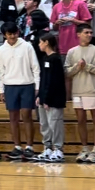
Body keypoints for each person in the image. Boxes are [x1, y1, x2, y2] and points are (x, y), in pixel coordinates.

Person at [0, 21, 40, 161]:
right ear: (4, 35)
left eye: (15, 33)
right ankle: (17, 146)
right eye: (10, 34)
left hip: (27, 85)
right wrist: (1, 89)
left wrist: (37, 86)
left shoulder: (27, 46)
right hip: (10, 86)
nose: (13, 36)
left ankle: (29, 147)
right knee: (13, 118)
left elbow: (35, 67)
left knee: (27, 115)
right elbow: (1, 71)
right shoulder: (1, 50)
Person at [65, 24, 95, 163]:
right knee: (81, 120)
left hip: (93, 89)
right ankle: (84, 148)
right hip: (77, 90)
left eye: (90, 32)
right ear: (78, 34)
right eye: (86, 32)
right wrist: (78, 67)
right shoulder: (72, 52)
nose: (89, 35)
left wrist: (87, 66)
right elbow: (66, 72)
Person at [34, 33, 66, 162]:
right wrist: (40, 96)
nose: (39, 45)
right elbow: (44, 80)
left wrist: (47, 99)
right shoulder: (44, 59)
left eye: (40, 42)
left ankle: (58, 149)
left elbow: (55, 81)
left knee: (55, 124)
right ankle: (47, 147)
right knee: (44, 124)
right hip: (44, 97)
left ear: (46, 42)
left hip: (54, 98)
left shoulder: (56, 59)